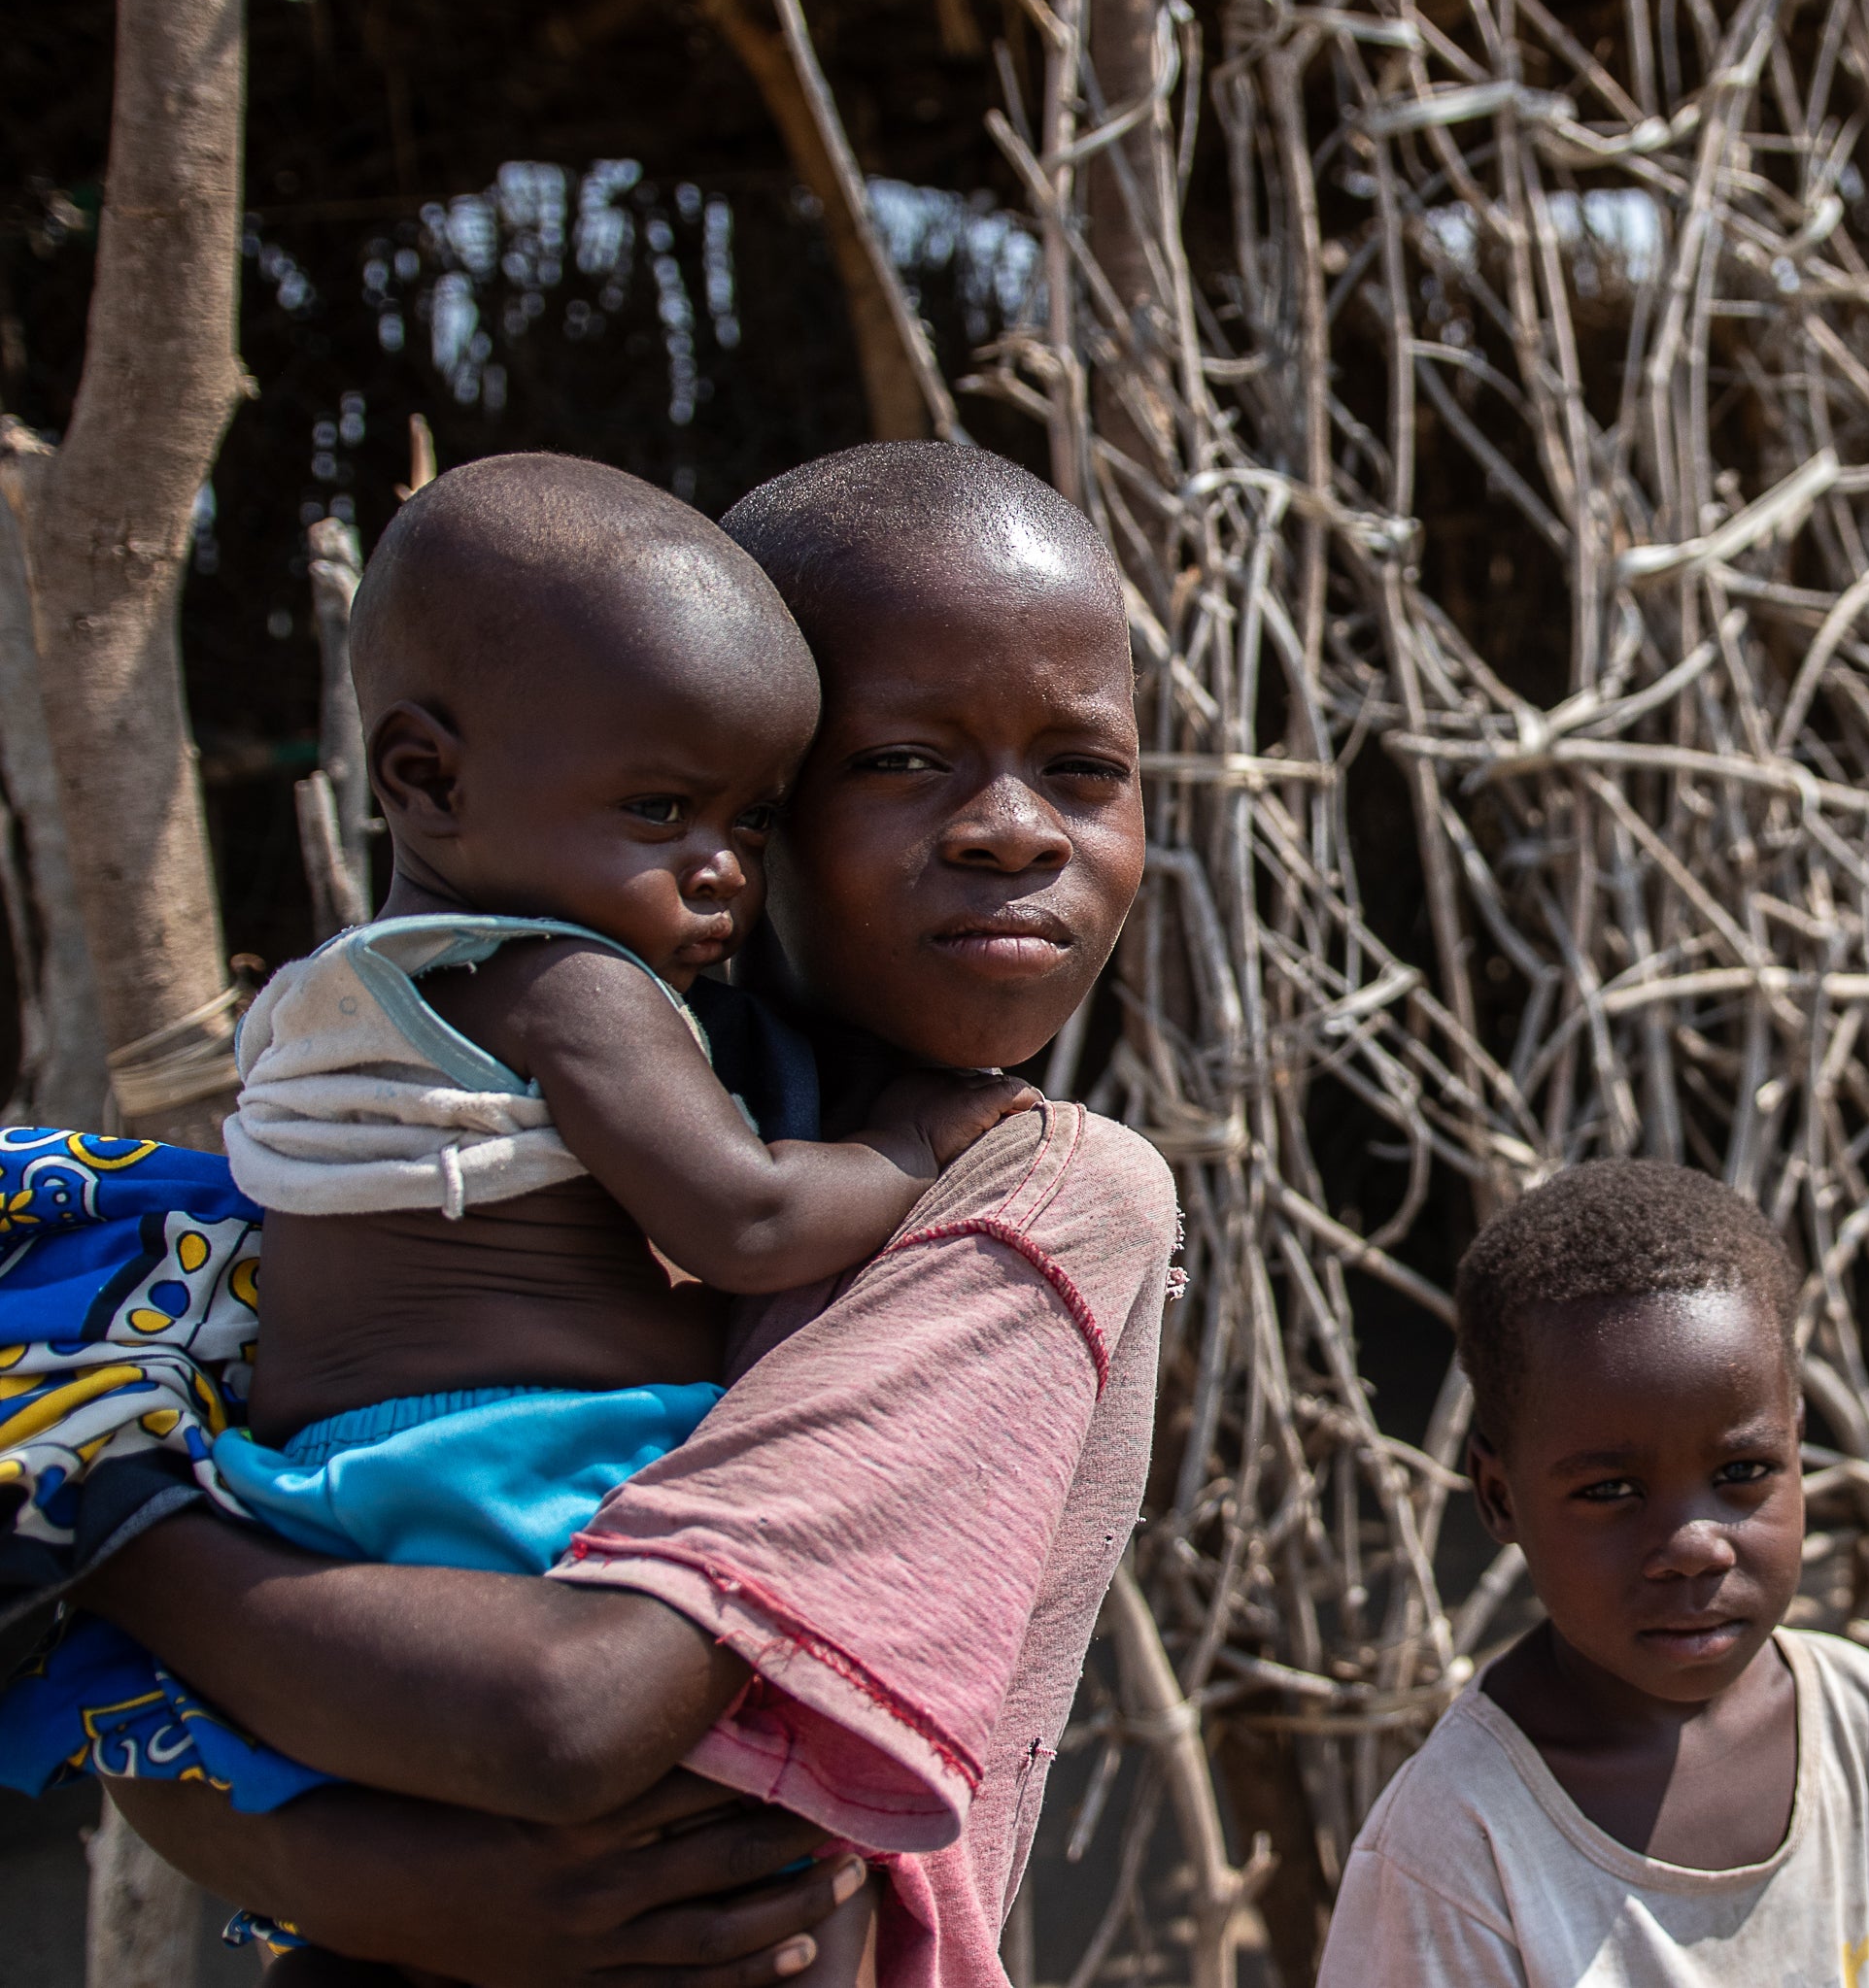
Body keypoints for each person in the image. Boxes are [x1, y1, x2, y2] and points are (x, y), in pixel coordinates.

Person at [61, 441, 1178, 1988]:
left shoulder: (1040, 1188)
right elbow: (153, 1749)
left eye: (1084, 766)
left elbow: (574, 1710)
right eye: (897, 760)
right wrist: (328, 1864)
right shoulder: (471, 1129)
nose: (1012, 830)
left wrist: (105, 1527)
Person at [1317, 1159, 1869, 1987]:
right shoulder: (1458, 1848)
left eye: (1744, 1471)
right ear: (1499, 1497)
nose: (1695, 1544)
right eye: (1611, 1490)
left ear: (1795, 1444)